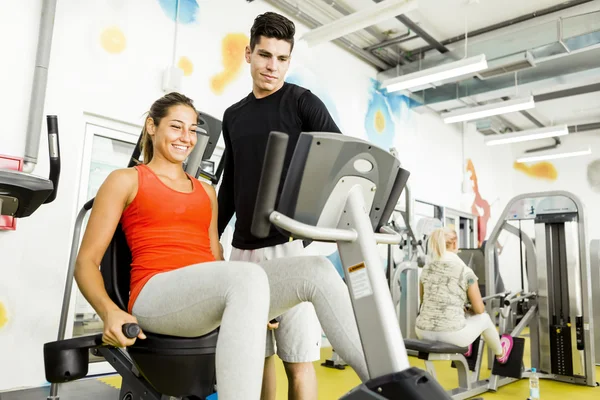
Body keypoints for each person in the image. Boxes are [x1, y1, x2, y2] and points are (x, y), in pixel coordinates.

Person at [73, 92, 368, 400]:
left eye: (191, 130)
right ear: (151, 126)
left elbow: (216, 259)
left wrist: (250, 303)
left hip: (204, 296)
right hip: (155, 294)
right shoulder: (125, 180)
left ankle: (389, 385)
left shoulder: (206, 191)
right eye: (176, 127)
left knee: (316, 270)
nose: (186, 138)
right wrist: (108, 312)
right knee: (247, 276)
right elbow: (86, 263)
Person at [217, 11, 341, 400]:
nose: (273, 67)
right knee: (256, 357)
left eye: (282, 58)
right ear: (249, 54)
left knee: (298, 359)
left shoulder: (302, 103)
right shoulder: (233, 115)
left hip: (288, 247)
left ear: (289, 59)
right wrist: (211, 238)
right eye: (265, 55)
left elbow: (341, 160)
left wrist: (308, 217)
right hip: (241, 252)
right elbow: (230, 185)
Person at [415, 227, 514, 364]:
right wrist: (472, 308)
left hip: (422, 332)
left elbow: (424, 300)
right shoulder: (465, 271)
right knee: (484, 318)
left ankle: (467, 347)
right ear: (455, 244)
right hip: (452, 336)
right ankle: (500, 353)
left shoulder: (425, 269)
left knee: (464, 314)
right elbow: (479, 309)